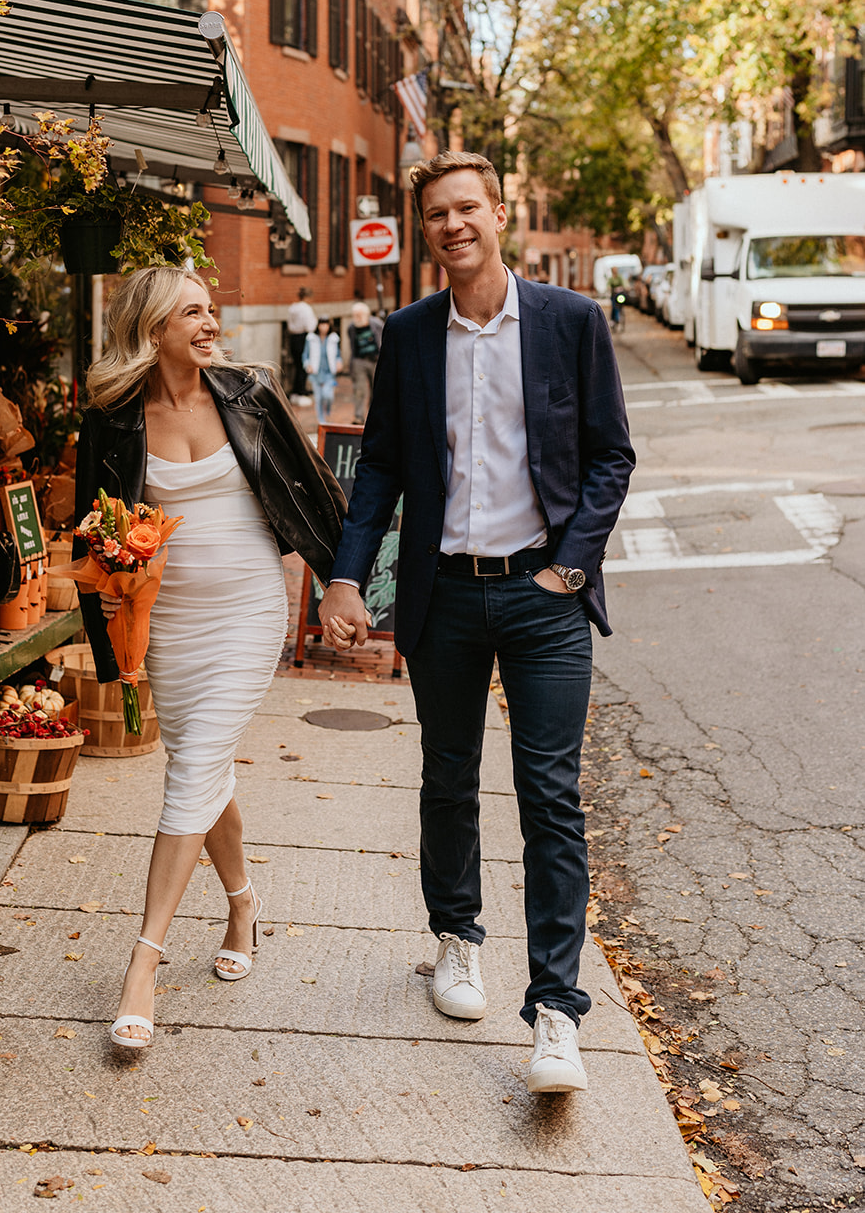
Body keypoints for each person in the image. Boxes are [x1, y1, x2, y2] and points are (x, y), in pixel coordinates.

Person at [318, 152, 634, 1095]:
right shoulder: (408, 334)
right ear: (426, 231)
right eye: (436, 215)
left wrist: (567, 567)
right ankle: (456, 941)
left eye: (468, 208)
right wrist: (344, 578)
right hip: (444, 594)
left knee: (549, 797)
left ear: (501, 212)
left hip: (544, 600)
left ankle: (555, 1014)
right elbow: (378, 469)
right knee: (447, 777)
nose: (453, 225)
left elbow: (610, 456)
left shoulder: (571, 322)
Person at [74, 267, 346, 1050]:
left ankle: (142, 963)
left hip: (248, 608)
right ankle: (242, 903)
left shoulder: (250, 392)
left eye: (210, 308)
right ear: (153, 328)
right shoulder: (115, 417)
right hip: (169, 623)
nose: (208, 321)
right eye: (190, 312)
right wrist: (111, 638)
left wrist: (342, 584)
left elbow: (312, 487)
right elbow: (96, 529)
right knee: (204, 763)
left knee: (190, 769)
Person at [347, 301, 383, 423]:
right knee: (359, 389)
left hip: (375, 360)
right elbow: (352, 345)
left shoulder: (377, 324)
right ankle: (359, 416)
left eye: (359, 315)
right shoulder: (351, 328)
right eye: (354, 315)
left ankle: (375, 417)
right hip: (359, 360)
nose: (356, 318)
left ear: (366, 314)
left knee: (377, 390)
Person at [302, 317, 341, 424]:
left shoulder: (333, 338)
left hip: (329, 372)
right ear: (318, 325)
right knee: (319, 398)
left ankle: (327, 411)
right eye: (322, 324)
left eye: (326, 324)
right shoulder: (311, 338)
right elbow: (305, 355)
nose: (324, 327)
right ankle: (321, 420)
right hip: (316, 372)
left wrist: (339, 362)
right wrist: (307, 365)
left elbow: (338, 354)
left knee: (328, 396)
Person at [286, 287, 317, 404]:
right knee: (303, 365)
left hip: (293, 337)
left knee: (297, 364)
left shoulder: (292, 308)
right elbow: (310, 326)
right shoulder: (306, 309)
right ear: (308, 297)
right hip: (303, 337)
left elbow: (289, 325)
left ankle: (296, 390)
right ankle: (300, 391)